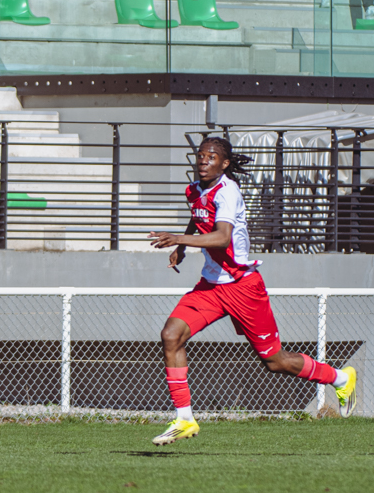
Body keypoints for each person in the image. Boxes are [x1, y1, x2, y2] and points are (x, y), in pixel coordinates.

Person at [148, 137, 357, 446]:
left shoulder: (228, 191)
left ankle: (340, 378)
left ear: (224, 164)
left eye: (211, 157)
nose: (203, 160)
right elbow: (199, 215)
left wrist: (179, 238)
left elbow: (222, 237)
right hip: (211, 286)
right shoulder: (193, 190)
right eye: (200, 155)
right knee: (171, 335)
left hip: (243, 286)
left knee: (275, 362)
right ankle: (184, 419)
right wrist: (182, 245)